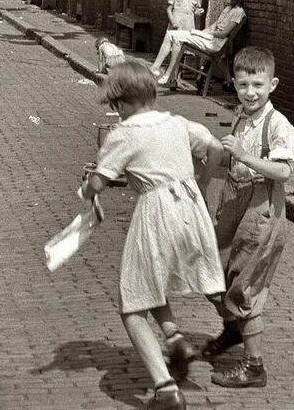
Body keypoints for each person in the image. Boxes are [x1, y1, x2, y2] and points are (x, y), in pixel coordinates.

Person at [80, 61, 226, 410]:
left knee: (132, 303)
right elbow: (216, 148)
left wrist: (87, 188)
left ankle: (165, 389)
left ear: (121, 103)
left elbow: (99, 182)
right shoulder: (176, 122)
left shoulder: (123, 133)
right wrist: (201, 184)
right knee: (151, 281)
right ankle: (175, 338)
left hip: (157, 213)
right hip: (191, 208)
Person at [199, 47, 294, 388]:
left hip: (262, 214)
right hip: (235, 206)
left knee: (245, 287)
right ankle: (233, 331)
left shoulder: (276, 124)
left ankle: (254, 367)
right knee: (216, 274)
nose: (250, 92)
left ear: (272, 84)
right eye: (243, 85)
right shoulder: (241, 115)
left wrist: (244, 155)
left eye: (257, 85)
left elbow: (283, 172)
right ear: (234, 84)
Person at [157, 0, 246, 88]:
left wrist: (207, 33)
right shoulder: (227, 9)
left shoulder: (238, 12)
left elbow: (224, 33)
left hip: (215, 43)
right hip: (210, 38)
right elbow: (214, 26)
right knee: (177, 35)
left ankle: (168, 74)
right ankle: (172, 76)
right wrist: (200, 33)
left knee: (176, 36)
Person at [150, 0, 204, 79]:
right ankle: (155, 67)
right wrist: (173, 21)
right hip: (175, 24)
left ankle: (172, 77)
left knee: (179, 51)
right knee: (166, 44)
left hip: (187, 25)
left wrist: (199, 12)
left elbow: (195, 11)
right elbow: (169, 9)